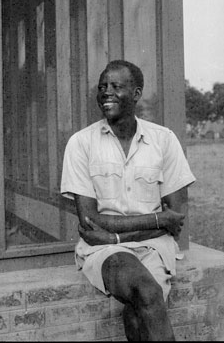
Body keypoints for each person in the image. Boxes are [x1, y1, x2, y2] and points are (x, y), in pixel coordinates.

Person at [60, 60, 196, 341]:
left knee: (138, 311)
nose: (106, 92)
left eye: (115, 86)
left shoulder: (164, 140)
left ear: (136, 94)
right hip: (103, 252)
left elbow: (177, 217)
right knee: (146, 292)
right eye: (102, 87)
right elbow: (90, 222)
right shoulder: (81, 143)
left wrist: (115, 236)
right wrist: (157, 220)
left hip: (153, 248)